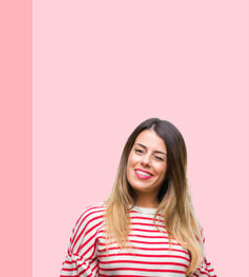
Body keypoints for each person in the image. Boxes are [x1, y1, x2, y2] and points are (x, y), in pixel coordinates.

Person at [61, 118, 216, 276]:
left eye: (158, 157)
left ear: (171, 170)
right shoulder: (94, 219)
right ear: (128, 155)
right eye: (139, 151)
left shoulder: (188, 226)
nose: (145, 161)